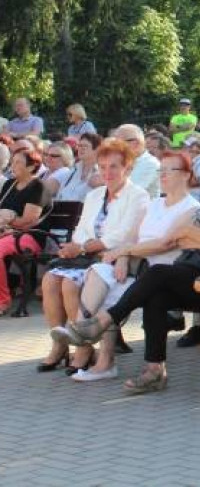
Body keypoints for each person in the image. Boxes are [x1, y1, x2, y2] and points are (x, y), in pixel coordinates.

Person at [59, 155, 200, 388]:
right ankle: (154, 370)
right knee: (155, 296)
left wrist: (192, 233)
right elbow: (179, 239)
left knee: (157, 273)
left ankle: (104, 320)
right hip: (194, 273)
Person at [49, 152, 200, 378]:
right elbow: (132, 237)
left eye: (170, 170)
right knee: (100, 272)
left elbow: (163, 244)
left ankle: (98, 349)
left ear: (187, 175)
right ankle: (85, 333)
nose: (163, 175)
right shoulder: (155, 203)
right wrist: (121, 258)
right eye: (161, 170)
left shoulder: (192, 208)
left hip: (166, 275)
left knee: (110, 285)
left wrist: (124, 252)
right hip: (140, 269)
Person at [40, 139, 149, 377]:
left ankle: (83, 349)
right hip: (87, 255)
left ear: (128, 168)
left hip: (115, 259)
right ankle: (59, 346)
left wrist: (81, 248)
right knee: (49, 279)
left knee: (69, 284)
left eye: (114, 167)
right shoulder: (95, 195)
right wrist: (75, 246)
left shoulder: (138, 195)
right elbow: (81, 230)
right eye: (102, 167)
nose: (107, 173)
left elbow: (123, 235)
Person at [0, 149, 48, 315]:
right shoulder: (9, 184)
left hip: (30, 236)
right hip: (8, 232)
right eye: (12, 161)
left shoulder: (38, 186)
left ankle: (3, 301)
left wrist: (9, 220)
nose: (13, 165)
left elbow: (29, 221)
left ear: (31, 166)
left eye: (18, 162)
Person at [56, 132, 104, 202]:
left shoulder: (102, 173)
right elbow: (59, 195)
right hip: (63, 211)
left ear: (96, 150)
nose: (81, 149)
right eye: (79, 146)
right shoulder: (72, 172)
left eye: (85, 146)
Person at [115, 124, 160, 199]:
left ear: (136, 143)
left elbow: (128, 192)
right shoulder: (121, 160)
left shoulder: (150, 164)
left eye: (118, 143)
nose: (114, 147)